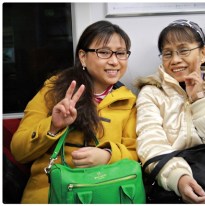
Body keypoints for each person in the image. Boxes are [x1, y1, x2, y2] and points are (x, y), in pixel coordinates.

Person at [10, 20, 138, 203]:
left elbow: (136, 154)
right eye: (104, 52)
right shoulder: (53, 90)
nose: (114, 61)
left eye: (121, 53)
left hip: (104, 192)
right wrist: (52, 126)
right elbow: (19, 150)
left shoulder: (129, 102)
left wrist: (108, 155)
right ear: (83, 57)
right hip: (51, 193)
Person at [135, 19, 205, 204]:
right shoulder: (151, 92)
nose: (175, 60)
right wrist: (179, 178)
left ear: (203, 53)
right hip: (170, 180)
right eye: (167, 53)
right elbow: (149, 142)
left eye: (183, 50)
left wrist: (200, 100)